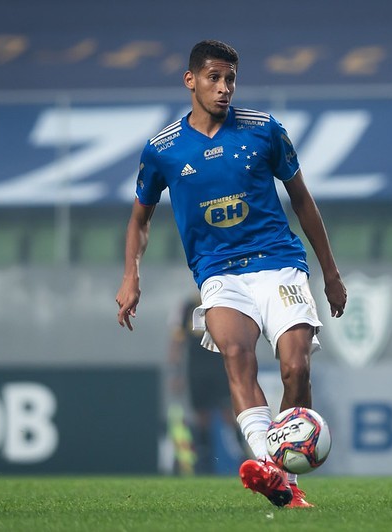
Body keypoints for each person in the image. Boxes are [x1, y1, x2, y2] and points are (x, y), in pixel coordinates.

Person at [115, 39, 347, 508]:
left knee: (296, 367)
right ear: (191, 80)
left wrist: (331, 273)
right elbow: (140, 219)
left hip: (279, 263)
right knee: (237, 357)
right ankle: (277, 476)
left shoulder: (264, 130)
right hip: (219, 272)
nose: (224, 88)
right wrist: (130, 276)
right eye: (214, 78)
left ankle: (275, 470)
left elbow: (302, 199)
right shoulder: (162, 149)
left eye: (230, 79)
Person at [167, 292, 244, 475]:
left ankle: (244, 458)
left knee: (229, 414)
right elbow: (177, 341)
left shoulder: (223, 302)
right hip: (196, 369)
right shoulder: (187, 306)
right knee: (201, 416)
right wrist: (176, 373)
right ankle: (204, 464)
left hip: (221, 367)